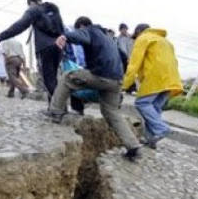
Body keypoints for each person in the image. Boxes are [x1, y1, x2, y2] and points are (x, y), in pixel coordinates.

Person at [42, 16, 142, 162]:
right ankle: (134, 147)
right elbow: (125, 57)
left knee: (67, 77)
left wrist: (65, 36)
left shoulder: (90, 30)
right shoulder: (109, 38)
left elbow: (80, 36)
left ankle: (55, 112)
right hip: (116, 80)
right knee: (111, 112)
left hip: (101, 75)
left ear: (82, 26)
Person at [0, 0, 64, 102]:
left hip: (44, 47)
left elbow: (20, 25)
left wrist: (0, 37)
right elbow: (61, 28)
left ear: (31, 3)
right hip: (59, 46)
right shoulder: (53, 9)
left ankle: (58, 109)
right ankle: (54, 107)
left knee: (48, 79)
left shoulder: (34, 10)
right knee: (54, 78)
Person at [123, 24, 183, 150]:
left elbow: (134, 64)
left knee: (142, 103)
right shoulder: (166, 42)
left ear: (139, 31)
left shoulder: (144, 38)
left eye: (135, 36)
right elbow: (175, 62)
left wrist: (124, 85)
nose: (135, 39)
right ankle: (151, 139)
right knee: (154, 108)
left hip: (156, 77)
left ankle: (161, 129)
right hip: (171, 79)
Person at [118, 23, 136, 93]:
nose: (125, 30)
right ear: (120, 30)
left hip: (131, 57)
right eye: (123, 29)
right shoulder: (118, 39)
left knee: (131, 73)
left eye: (126, 29)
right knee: (124, 73)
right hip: (123, 58)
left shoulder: (131, 37)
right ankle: (124, 88)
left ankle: (132, 89)